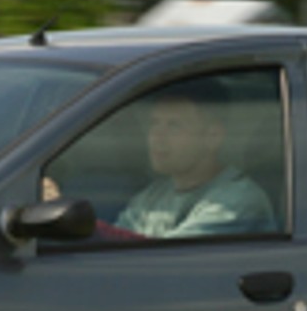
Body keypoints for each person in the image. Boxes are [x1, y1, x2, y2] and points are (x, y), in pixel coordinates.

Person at [112, 81, 275, 239]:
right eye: (154, 123)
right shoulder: (152, 196)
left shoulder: (240, 202)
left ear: (213, 136)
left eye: (174, 126)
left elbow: (165, 260)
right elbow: (114, 247)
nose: (157, 136)